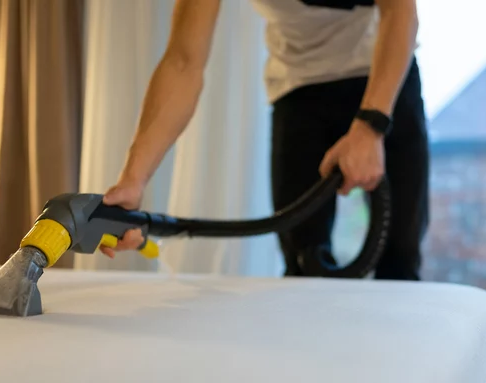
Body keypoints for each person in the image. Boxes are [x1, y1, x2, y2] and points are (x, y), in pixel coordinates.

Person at [100, 0, 429, 280]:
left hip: (385, 80)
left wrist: (370, 126)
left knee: (399, 256)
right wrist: (133, 180)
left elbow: (400, 13)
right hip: (300, 90)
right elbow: (183, 61)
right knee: (303, 261)